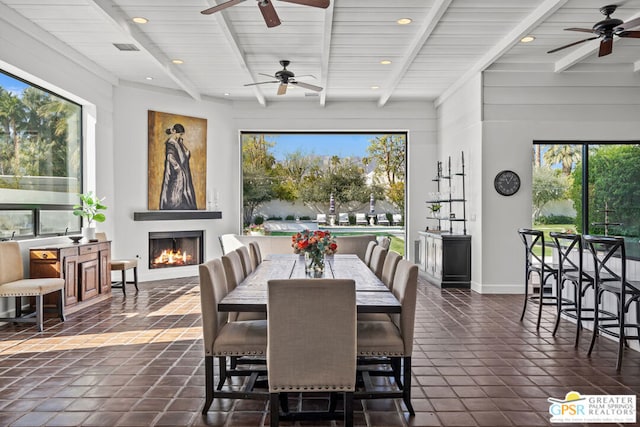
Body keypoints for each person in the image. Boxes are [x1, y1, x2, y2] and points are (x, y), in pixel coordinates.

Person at [159, 123, 197, 210]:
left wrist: (182, 144)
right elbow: (170, 157)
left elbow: (187, 154)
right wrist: (177, 168)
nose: (180, 136)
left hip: (182, 171)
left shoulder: (178, 143)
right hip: (175, 172)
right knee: (175, 191)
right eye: (180, 134)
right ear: (175, 132)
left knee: (185, 191)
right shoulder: (171, 143)